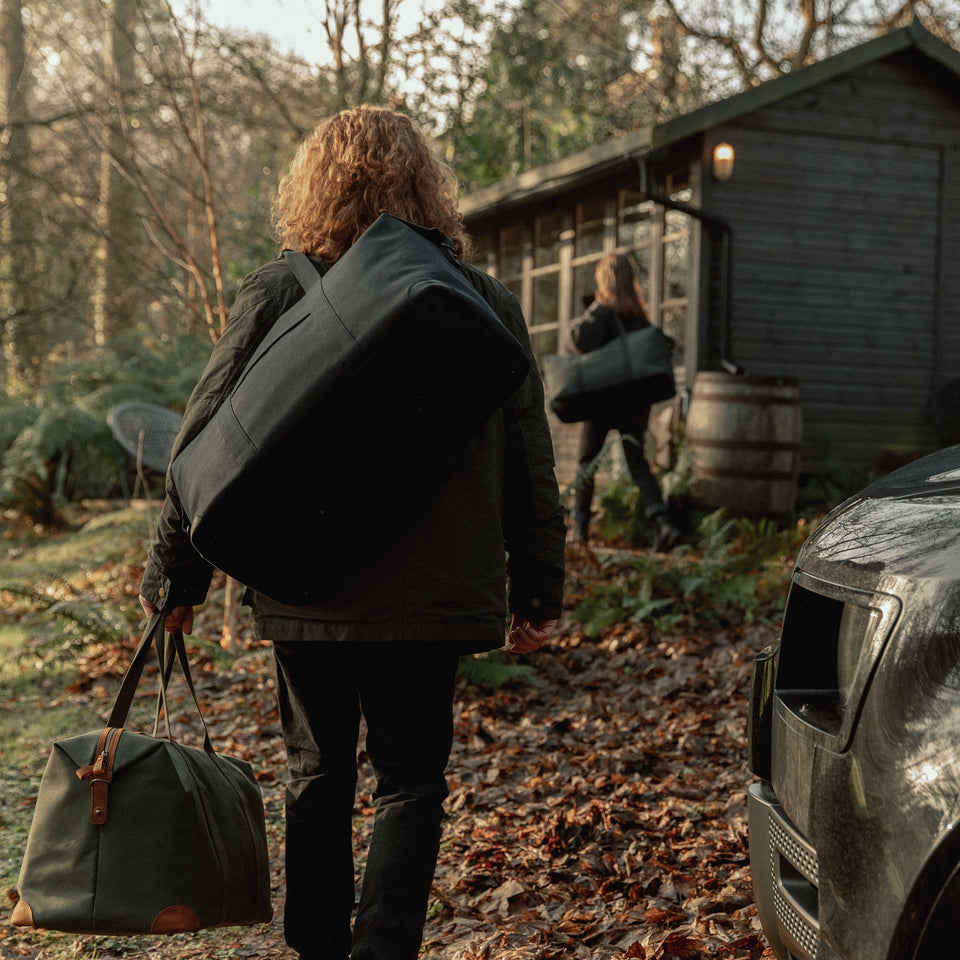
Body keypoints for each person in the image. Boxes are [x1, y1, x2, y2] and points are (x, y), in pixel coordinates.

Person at [137, 105, 566, 960]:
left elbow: (203, 446)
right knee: (412, 783)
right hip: (435, 599)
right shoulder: (479, 303)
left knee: (317, 775)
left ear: (314, 187)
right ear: (426, 188)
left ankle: (318, 951)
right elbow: (529, 455)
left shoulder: (284, 290)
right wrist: (539, 586)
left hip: (308, 587)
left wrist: (176, 582)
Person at [569, 252, 681, 551]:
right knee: (639, 465)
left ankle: (578, 530)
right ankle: (663, 523)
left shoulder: (604, 313)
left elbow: (579, 338)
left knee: (586, 463)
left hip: (603, 401)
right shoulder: (640, 319)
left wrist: (598, 306)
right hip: (634, 404)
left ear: (604, 281)